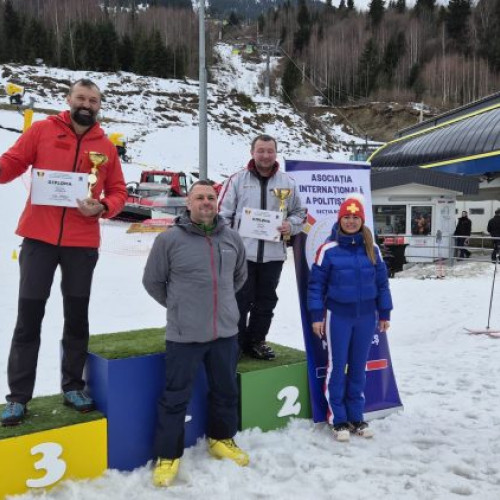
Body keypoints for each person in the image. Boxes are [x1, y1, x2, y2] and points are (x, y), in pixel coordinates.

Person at [0, 79, 127, 426]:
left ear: (99, 105)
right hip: (38, 239)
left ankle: (73, 386)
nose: (86, 104)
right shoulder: (42, 131)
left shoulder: (106, 146)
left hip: (81, 243)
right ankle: (18, 397)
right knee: (28, 318)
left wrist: (103, 207)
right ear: (69, 99)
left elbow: (118, 191)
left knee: (76, 318)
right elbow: (11, 163)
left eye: (93, 100)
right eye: (81, 98)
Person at [143, 180, 249, 488]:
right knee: (175, 397)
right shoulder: (169, 240)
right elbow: (153, 282)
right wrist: (179, 306)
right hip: (184, 333)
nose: (206, 202)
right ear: (188, 203)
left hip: (225, 331)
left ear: (217, 203)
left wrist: (222, 305)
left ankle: (221, 439)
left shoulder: (231, 238)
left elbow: (239, 276)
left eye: (211, 197)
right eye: (199, 197)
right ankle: (168, 455)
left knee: (226, 390)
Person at [307, 196, 393, 442]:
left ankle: (356, 417)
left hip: (366, 316)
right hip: (338, 316)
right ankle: (338, 419)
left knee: (358, 367)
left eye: (356, 217)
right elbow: (315, 286)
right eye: (347, 217)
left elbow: (382, 284)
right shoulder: (328, 249)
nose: (351, 221)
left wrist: (384, 312)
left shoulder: (372, 248)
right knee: (337, 367)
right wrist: (316, 316)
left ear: (362, 220)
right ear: (340, 219)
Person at [218, 134, 304, 360]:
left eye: (270, 151)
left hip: (273, 256)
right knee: (239, 301)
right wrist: (229, 244)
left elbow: (300, 214)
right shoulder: (236, 180)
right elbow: (222, 215)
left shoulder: (288, 183)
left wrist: (290, 225)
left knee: (266, 301)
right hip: (242, 256)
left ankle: (256, 341)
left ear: (276, 153)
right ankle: (234, 344)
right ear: (252, 152)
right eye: (261, 150)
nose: (265, 155)